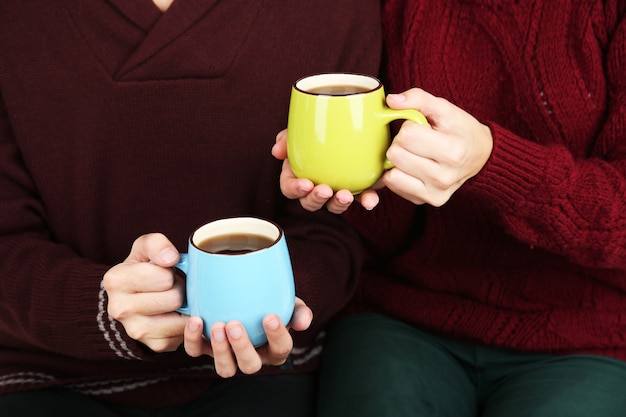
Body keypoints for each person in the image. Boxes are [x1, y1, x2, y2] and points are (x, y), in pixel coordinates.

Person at [0, 1, 381, 415]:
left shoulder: (339, 12)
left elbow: (345, 223)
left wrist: (275, 303)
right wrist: (102, 308)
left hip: (266, 370)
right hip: (47, 371)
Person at [273, 1, 626, 416]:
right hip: (403, 313)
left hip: (585, 332)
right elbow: (373, 225)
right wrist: (338, 177)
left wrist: (494, 162)